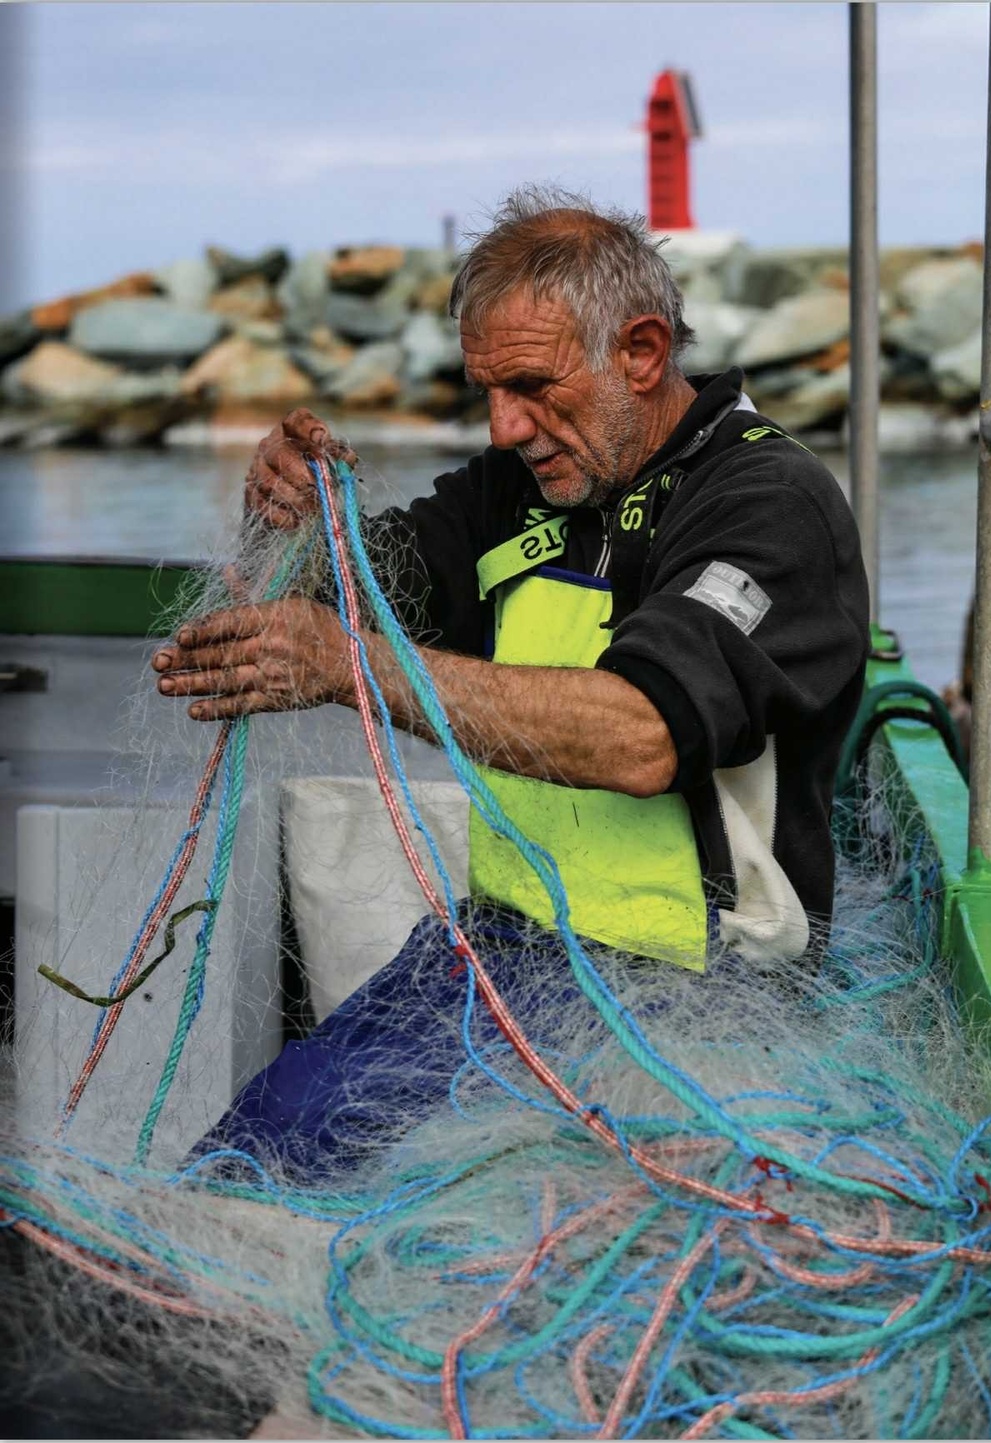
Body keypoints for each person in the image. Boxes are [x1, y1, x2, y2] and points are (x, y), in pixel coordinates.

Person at [152, 186, 870, 1180]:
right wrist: (292, 519)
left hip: (701, 994)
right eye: (484, 390)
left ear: (642, 352)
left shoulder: (768, 504)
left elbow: (640, 736)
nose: (502, 426)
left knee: (486, 1235)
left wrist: (347, 666)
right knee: (247, 1166)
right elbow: (354, 591)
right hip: (498, 952)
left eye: (532, 386)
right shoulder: (516, 487)